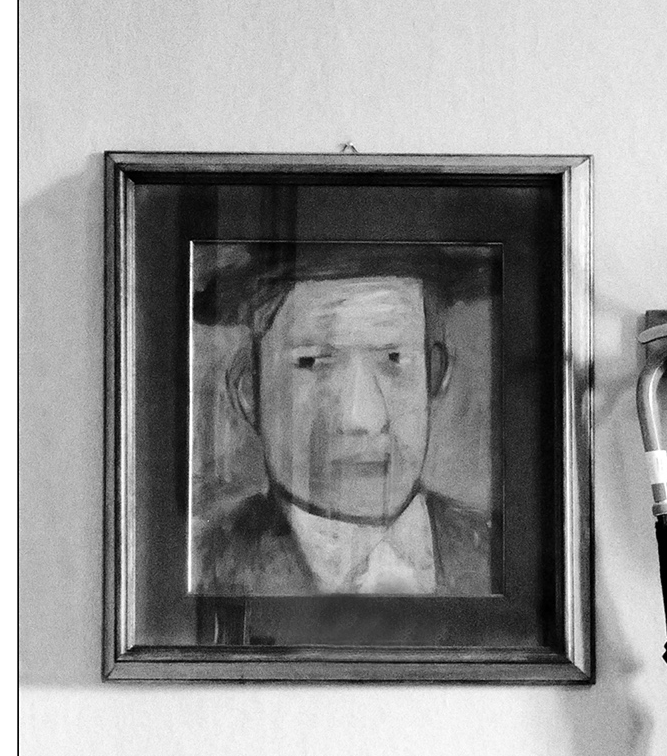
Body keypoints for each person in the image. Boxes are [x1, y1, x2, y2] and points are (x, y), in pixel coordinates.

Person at [192, 248, 494, 597]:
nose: (362, 418)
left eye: (395, 358)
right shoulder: (203, 567)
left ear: (434, 374)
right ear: (249, 391)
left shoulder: (494, 554)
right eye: (312, 362)